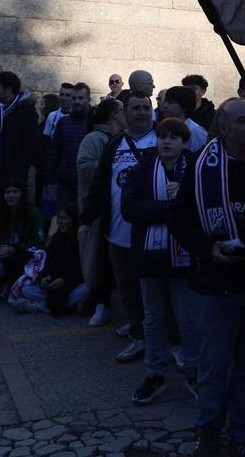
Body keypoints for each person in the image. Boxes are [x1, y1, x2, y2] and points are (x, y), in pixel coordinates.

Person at [169, 99, 245, 457]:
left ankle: (243, 435)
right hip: (216, 288)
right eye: (243, 121)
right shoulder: (202, 168)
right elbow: (179, 219)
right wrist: (205, 247)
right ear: (224, 128)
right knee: (215, 369)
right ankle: (209, 432)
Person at [121, 117, 200, 404]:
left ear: (184, 142)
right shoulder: (142, 170)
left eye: (173, 137)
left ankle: (194, 372)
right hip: (150, 256)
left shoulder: (194, 168)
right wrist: (169, 207)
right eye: (162, 136)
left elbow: (203, 207)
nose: (166, 142)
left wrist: (176, 206)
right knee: (153, 319)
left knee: (188, 319)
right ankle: (155, 374)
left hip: (184, 257)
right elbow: (129, 209)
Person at [82, 91, 155, 362]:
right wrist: (86, 220)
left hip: (152, 233)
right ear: (124, 113)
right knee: (128, 289)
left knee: (156, 290)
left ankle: (167, 341)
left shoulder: (162, 140)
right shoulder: (115, 144)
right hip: (118, 233)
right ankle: (138, 335)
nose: (141, 113)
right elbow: (100, 184)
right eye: (135, 108)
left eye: (146, 108)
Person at [77, 97, 124, 327]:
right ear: (114, 115)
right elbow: (84, 168)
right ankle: (99, 304)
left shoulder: (125, 139)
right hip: (97, 211)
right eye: (123, 111)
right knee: (98, 261)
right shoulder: (93, 139)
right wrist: (111, 165)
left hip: (118, 211)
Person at [0, 71, 38, 231]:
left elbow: (30, 146)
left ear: (9, 90)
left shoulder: (26, 113)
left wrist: (19, 173)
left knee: (11, 221)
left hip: (11, 176)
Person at [10, 203, 89, 316]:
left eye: (65, 218)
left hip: (72, 284)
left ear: (74, 220)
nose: (60, 222)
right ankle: (72, 306)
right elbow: (47, 263)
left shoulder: (80, 242)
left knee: (87, 289)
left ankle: (37, 307)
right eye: (59, 218)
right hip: (54, 284)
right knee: (26, 289)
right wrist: (44, 278)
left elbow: (84, 271)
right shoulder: (57, 238)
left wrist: (65, 281)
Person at [0, 180, 46, 294]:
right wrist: (3, 248)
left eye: (15, 191)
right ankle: (0, 289)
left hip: (26, 257)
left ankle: (15, 286)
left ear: (22, 193)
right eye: (7, 192)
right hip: (4, 256)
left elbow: (40, 242)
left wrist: (16, 248)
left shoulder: (33, 213)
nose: (11, 196)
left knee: (25, 291)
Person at [46, 82, 92, 212]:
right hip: (65, 181)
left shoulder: (94, 121)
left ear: (88, 99)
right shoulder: (63, 122)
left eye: (81, 98)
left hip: (87, 182)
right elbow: (54, 151)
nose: (77, 101)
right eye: (74, 98)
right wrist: (49, 179)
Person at [158, 86, 209, 152]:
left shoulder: (195, 131)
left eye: (170, 102)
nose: (165, 106)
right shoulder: (162, 126)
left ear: (184, 106)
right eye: (165, 102)